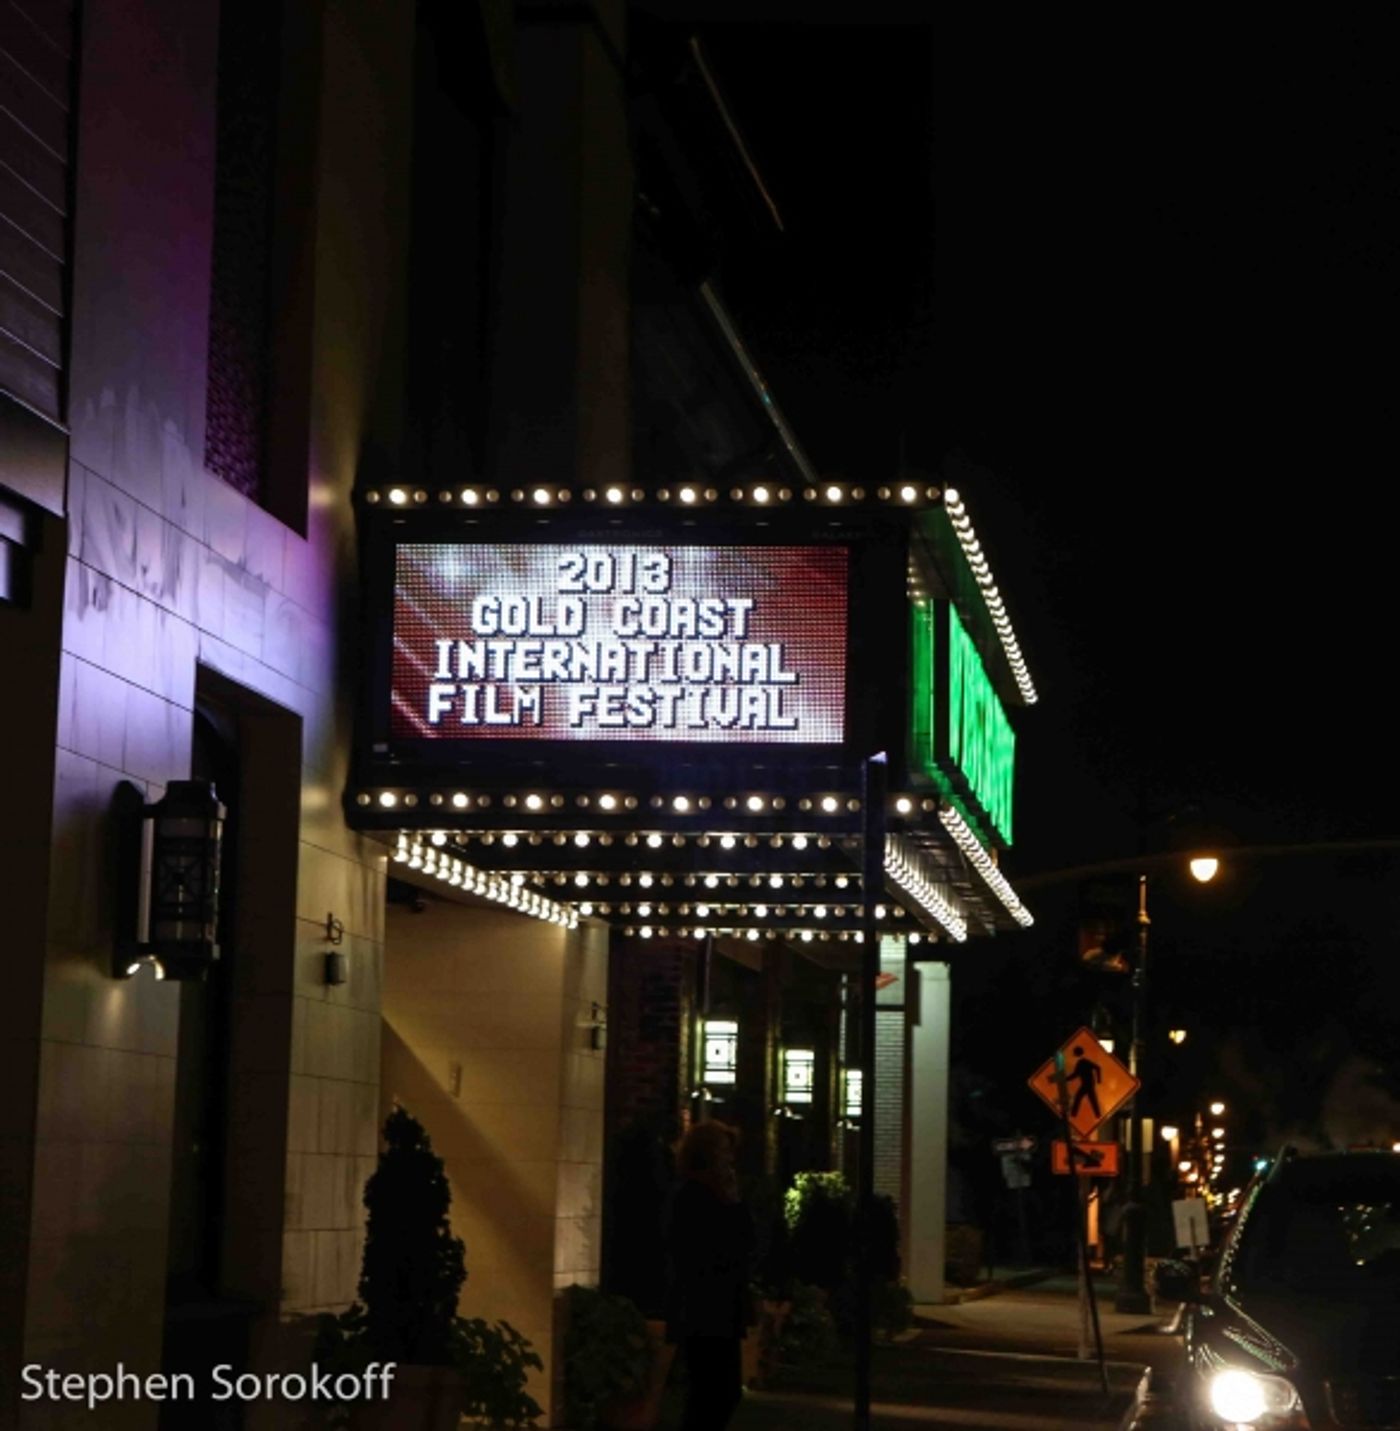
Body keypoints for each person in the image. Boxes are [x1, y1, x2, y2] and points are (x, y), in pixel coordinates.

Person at [663, 1119, 755, 1431]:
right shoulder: (690, 1196)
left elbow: (745, 1243)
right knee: (712, 1392)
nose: (730, 1159)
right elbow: (711, 1247)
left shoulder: (712, 1195)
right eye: (724, 1151)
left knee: (719, 1391)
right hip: (704, 1307)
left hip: (719, 1308)